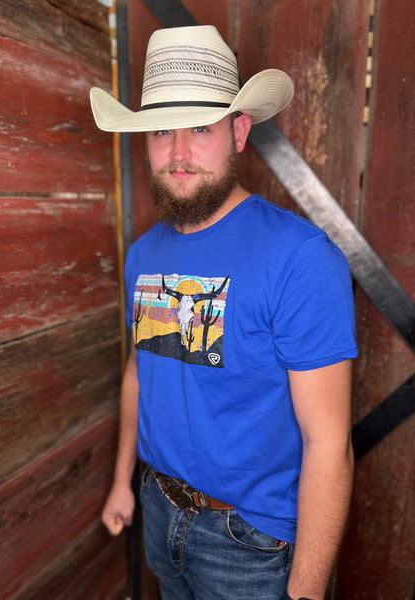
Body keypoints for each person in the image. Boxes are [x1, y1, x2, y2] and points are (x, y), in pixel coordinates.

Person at [90, 25, 358, 600]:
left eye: (200, 128)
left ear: (239, 131)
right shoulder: (143, 255)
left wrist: (306, 593)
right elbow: (140, 373)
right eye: (162, 130)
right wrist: (122, 483)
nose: (178, 154)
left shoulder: (299, 259)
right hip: (160, 512)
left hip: (251, 544)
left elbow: (329, 443)